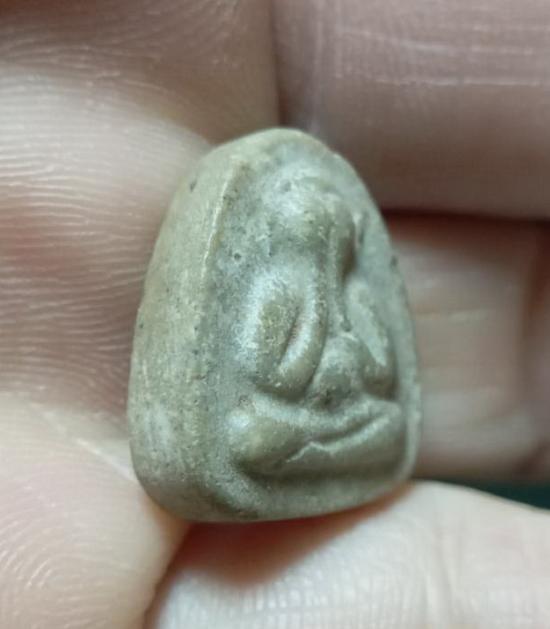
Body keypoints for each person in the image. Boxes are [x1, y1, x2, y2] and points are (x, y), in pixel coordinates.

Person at [0, 1, 548, 627]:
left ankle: (321, 459)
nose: (331, 250)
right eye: (318, 239)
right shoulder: (279, 294)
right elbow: (278, 378)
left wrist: (347, 334)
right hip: (282, 423)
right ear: (294, 238)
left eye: (337, 241)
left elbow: (378, 376)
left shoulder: (358, 296)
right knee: (248, 437)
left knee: (388, 428)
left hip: (347, 420)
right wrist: (317, 319)